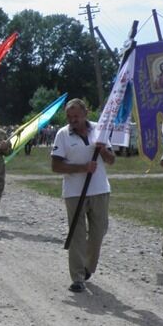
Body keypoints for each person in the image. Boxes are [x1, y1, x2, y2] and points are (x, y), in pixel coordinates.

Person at [50, 98, 115, 292]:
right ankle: (77, 277)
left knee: (98, 232)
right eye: (69, 117)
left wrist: (102, 149)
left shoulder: (100, 130)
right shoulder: (62, 134)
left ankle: (88, 266)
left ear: (86, 113)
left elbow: (111, 160)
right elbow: (56, 166)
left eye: (76, 116)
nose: (72, 120)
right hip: (74, 192)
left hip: (100, 190)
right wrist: (82, 168)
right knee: (77, 234)